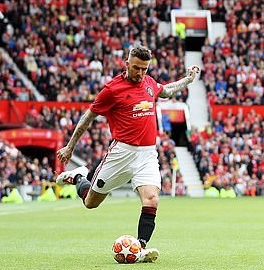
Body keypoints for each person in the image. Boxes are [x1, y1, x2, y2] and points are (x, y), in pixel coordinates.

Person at [56, 45, 201, 264]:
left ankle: (140, 248)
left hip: (147, 154)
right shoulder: (112, 89)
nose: (140, 73)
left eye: (144, 69)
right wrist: (70, 147)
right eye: (136, 68)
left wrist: (188, 80)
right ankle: (78, 177)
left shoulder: (149, 83)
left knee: (151, 199)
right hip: (121, 153)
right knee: (90, 202)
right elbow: (88, 117)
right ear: (126, 64)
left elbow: (167, 91)